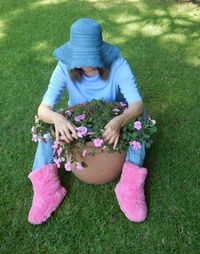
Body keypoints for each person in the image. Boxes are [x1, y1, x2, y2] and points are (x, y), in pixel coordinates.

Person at [28, 18, 147, 225]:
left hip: (112, 117)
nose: (87, 64)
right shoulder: (64, 66)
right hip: (78, 121)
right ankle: (47, 190)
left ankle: (129, 187)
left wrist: (120, 120)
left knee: (140, 119)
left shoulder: (118, 64)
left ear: (100, 51)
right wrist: (57, 118)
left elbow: (136, 104)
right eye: (82, 58)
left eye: (91, 57)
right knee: (46, 124)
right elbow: (43, 109)